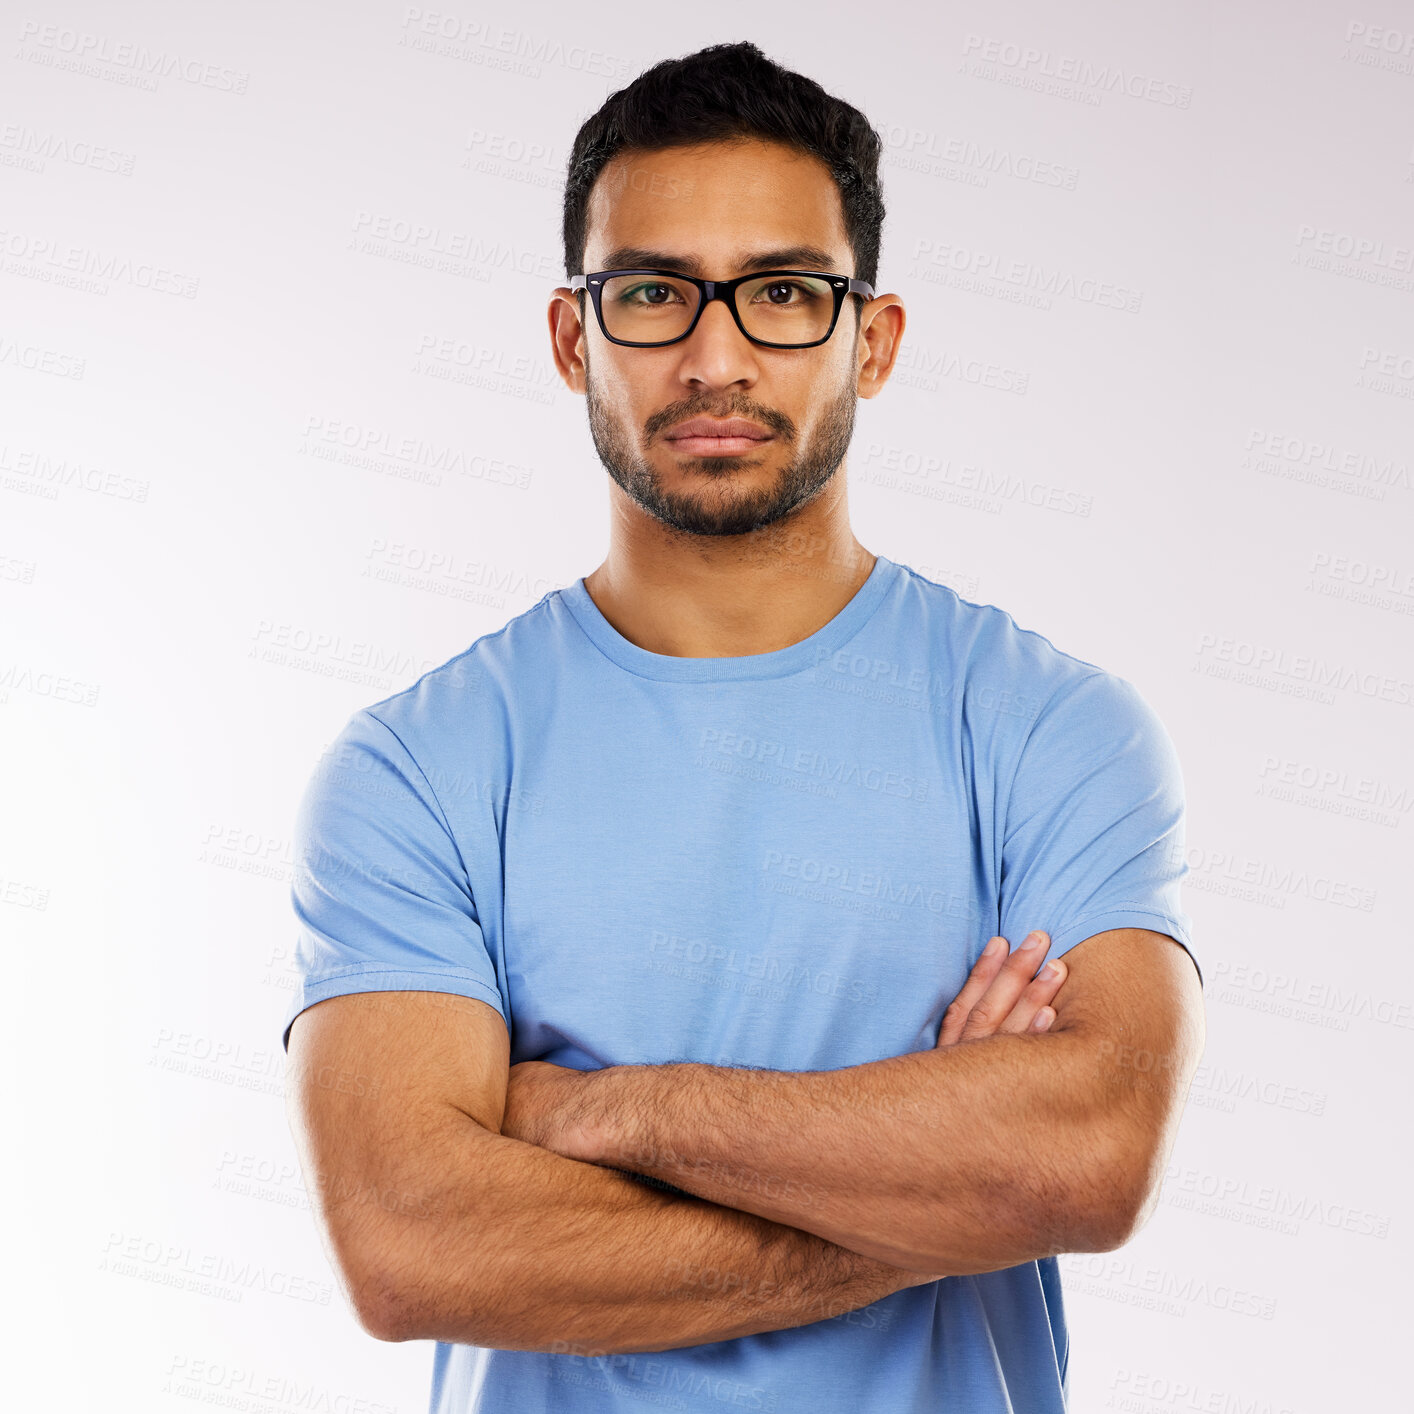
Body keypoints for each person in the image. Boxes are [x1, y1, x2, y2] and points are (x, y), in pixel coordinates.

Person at [281, 40, 1205, 1414]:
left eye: (782, 292)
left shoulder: (1046, 726)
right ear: (570, 337)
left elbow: (1082, 1164)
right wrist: (937, 1186)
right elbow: (413, 1244)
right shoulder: (419, 765)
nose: (715, 358)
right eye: (652, 293)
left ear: (870, 340)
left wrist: (603, 1111)